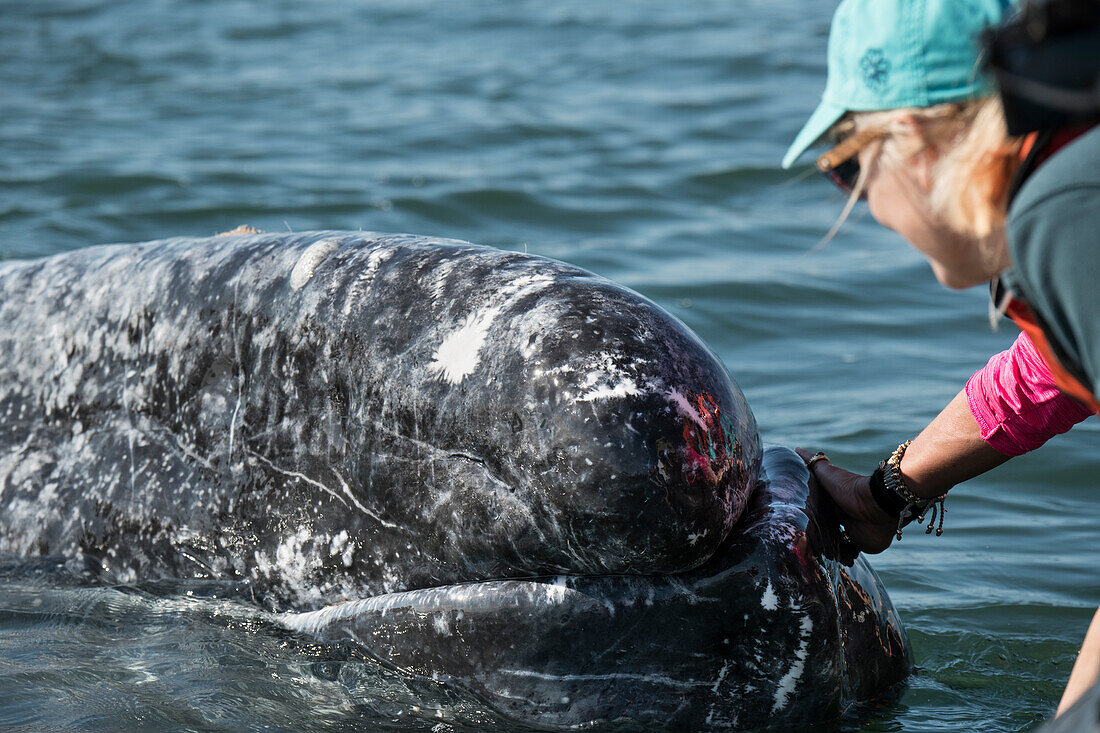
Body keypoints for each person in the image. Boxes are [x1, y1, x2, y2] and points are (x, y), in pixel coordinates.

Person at [779, 0, 1100, 717]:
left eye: (847, 168)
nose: (863, 203)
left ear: (912, 136)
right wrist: (887, 494)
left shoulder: (1069, 209)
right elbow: (1055, 371)